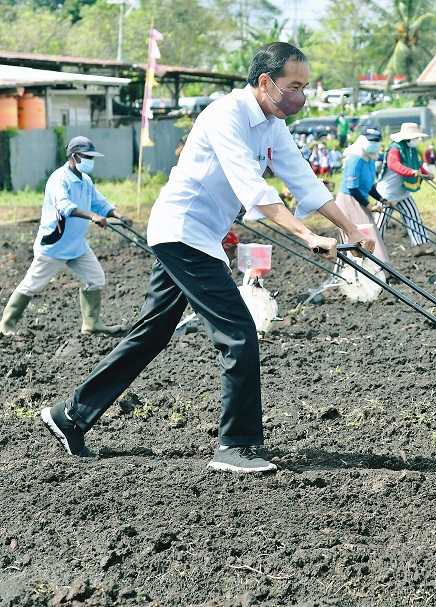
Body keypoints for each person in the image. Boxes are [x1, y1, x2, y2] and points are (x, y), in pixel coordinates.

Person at [39, 42, 375, 473]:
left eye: (305, 87)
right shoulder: (225, 116)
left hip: (200, 237)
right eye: (294, 86)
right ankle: (236, 445)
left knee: (151, 334)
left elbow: (303, 179)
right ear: (266, 82)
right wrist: (306, 234)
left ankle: (70, 415)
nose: (300, 96)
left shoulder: (271, 124)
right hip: (182, 233)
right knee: (238, 334)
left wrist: (350, 228)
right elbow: (253, 188)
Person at [0, 136, 129, 337]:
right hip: (55, 244)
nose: (91, 161)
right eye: (88, 157)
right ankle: (6, 325)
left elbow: (99, 202)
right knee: (32, 285)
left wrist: (117, 215)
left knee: (95, 278)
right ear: (75, 156)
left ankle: (92, 324)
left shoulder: (85, 180)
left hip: (77, 245)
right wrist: (92, 216)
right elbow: (65, 206)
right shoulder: (59, 179)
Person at [335, 128, 390, 260]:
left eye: (377, 141)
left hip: (360, 199)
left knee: (371, 235)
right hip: (349, 200)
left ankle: (379, 270)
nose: (375, 144)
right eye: (371, 141)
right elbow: (352, 188)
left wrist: (382, 199)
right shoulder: (355, 158)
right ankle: (360, 271)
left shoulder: (370, 159)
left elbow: (370, 185)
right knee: (359, 237)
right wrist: (369, 205)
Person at [375, 122, 432, 249]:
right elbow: (393, 165)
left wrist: (426, 174)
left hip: (403, 191)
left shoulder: (411, 149)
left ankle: (420, 245)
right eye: (415, 138)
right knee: (381, 222)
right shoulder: (395, 148)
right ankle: (374, 248)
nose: (417, 140)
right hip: (387, 193)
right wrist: (411, 172)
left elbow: (417, 165)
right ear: (408, 137)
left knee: (413, 216)